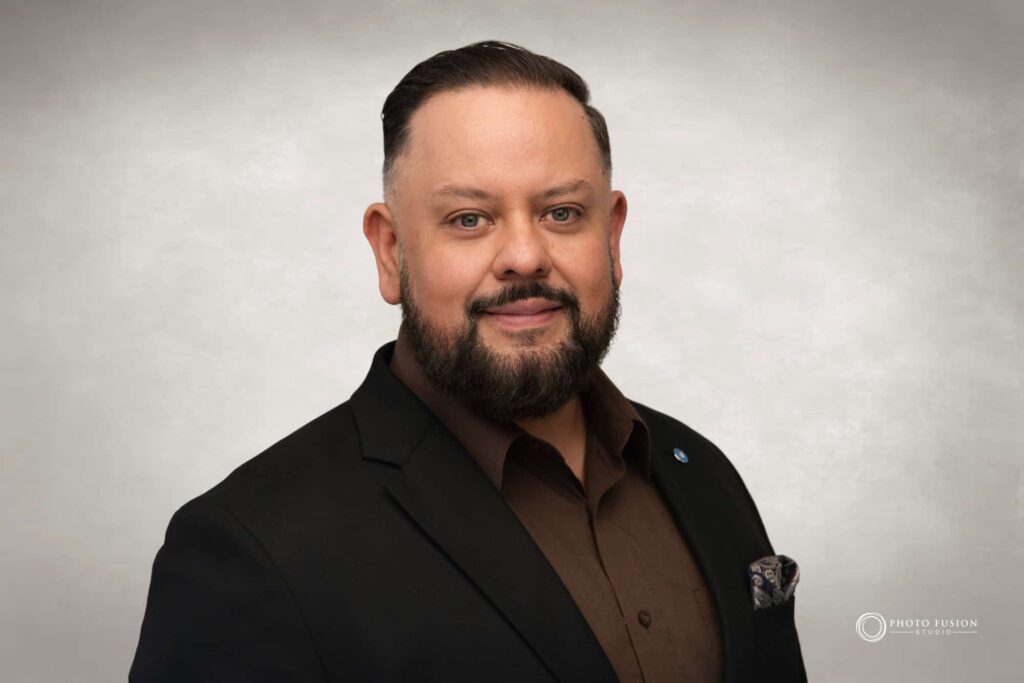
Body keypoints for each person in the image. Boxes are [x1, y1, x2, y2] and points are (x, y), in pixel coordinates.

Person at [130, 41, 807, 683]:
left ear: (612, 234)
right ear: (391, 251)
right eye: (468, 219)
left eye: (563, 212)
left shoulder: (701, 472)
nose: (524, 255)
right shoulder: (253, 548)